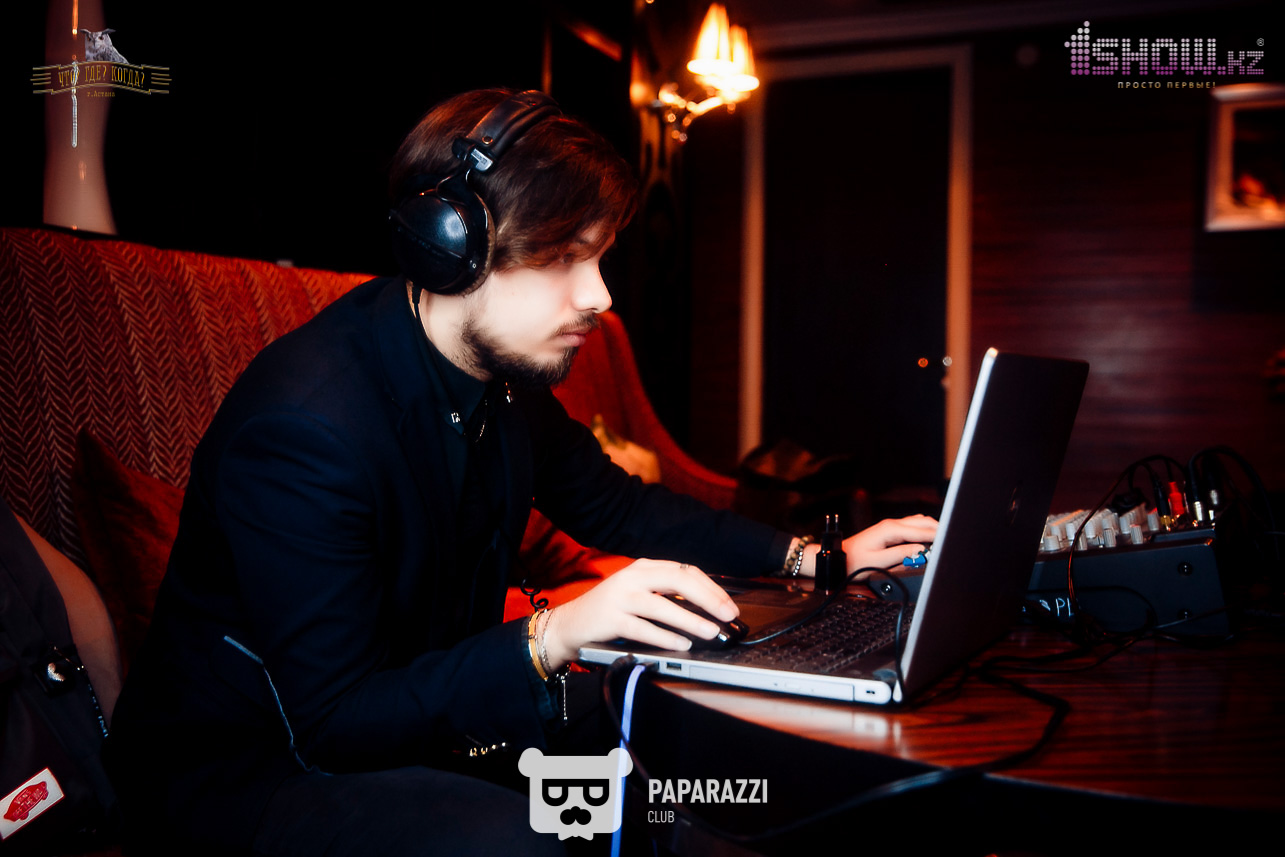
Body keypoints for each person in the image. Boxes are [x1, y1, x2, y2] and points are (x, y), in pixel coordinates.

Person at [105, 88, 937, 856]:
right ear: (448, 247)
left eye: (599, 256)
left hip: (416, 719)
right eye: (564, 257)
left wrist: (813, 557)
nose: (599, 295)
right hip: (249, 773)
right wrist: (553, 635)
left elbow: (617, 507)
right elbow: (334, 722)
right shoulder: (303, 429)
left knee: (697, 761)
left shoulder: (496, 378)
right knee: (527, 839)